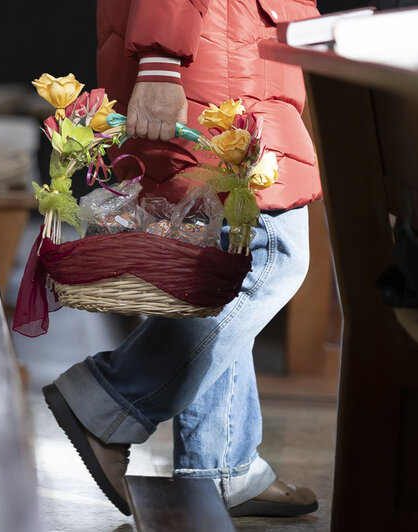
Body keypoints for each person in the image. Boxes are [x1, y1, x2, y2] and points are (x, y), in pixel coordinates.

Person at [42, 0, 324, 517]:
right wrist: (158, 60)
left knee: (223, 267)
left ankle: (223, 467)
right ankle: (109, 399)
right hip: (214, 55)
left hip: (226, 47)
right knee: (270, 256)